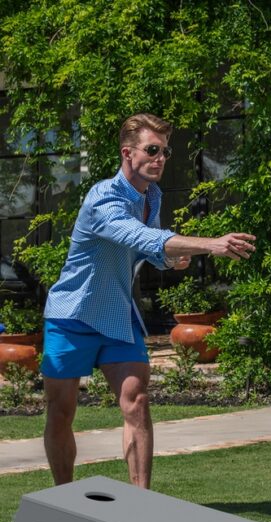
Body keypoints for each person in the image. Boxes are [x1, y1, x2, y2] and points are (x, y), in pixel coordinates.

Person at [41, 112, 256, 489]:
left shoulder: (150, 198)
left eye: (165, 151)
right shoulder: (103, 197)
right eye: (152, 150)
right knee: (60, 412)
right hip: (73, 313)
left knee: (137, 401)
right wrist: (211, 244)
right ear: (128, 152)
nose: (160, 158)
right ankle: (64, 499)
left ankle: (142, 502)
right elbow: (140, 238)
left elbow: (150, 248)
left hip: (117, 314)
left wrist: (172, 258)